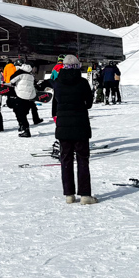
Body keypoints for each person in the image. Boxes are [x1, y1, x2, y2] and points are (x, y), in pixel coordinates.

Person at [53, 55, 96, 204]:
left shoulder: (57, 82)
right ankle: (85, 195)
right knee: (83, 159)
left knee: (66, 159)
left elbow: (54, 106)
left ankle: (69, 194)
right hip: (80, 125)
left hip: (63, 126)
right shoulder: (83, 82)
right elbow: (89, 104)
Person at [9, 62, 38, 137]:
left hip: (21, 95)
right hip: (29, 96)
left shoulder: (20, 72)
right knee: (24, 112)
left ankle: (26, 130)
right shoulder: (31, 75)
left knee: (19, 112)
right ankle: (23, 126)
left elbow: (12, 80)